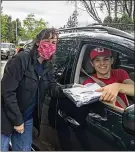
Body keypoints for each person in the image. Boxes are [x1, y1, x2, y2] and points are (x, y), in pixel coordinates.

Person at [1, 28, 77, 151]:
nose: (50, 45)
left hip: (27, 118)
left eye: (54, 43)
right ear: (38, 42)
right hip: (6, 117)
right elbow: (7, 92)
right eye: (47, 41)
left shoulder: (48, 65)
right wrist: (17, 120)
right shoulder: (21, 59)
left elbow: (52, 88)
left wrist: (73, 88)